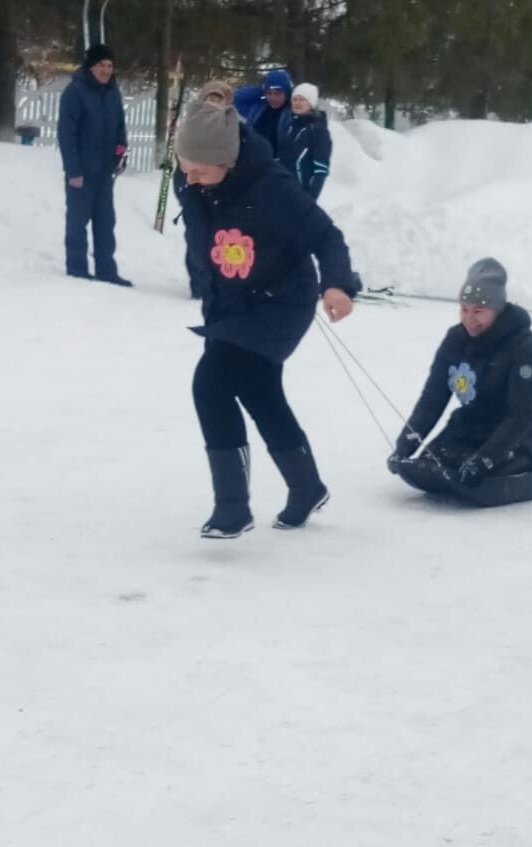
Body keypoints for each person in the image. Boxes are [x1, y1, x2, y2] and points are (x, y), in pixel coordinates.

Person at [173, 99, 357, 538]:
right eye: (186, 167)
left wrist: (337, 284)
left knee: (211, 383)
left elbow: (326, 236)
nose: (190, 177)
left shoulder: (271, 186)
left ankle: (232, 508)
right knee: (260, 393)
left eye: (200, 170)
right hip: (231, 303)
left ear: (228, 161)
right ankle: (307, 487)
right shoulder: (194, 180)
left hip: (280, 301)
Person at [388, 258, 532, 487]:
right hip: (477, 421)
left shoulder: (523, 346)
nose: (469, 319)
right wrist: (405, 445)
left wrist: (485, 459)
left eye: (478, 311)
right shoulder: (454, 341)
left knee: (483, 475)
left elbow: (521, 414)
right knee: (433, 464)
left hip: (525, 431)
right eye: (464, 309)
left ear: (496, 310)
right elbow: (432, 399)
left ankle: (504, 461)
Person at [56, 43, 131, 285]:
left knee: (105, 222)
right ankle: (77, 269)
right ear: (91, 67)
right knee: (78, 221)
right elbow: (66, 135)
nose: (106, 70)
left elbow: (120, 129)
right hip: (82, 172)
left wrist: (120, 154)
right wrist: (73, 170)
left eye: (110, 66)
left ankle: (106, 270)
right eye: (102, 65)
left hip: (105, 172)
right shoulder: (75, 92)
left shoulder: (112, 93)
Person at [182, 81, 235, 299]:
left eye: (219, 99)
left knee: (219, 239)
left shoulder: (231, 123)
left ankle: (216, 282)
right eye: (210, 98)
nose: (214, 103)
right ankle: (199, 284)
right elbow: (181, 151)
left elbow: (235, 153)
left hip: (221, 191)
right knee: (197, 236)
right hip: (193, 188)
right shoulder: (191, 121)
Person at [279, 82, 332, 199]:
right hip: (282, 191)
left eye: (302, 100)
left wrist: (310, 200)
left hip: (302, 194)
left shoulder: (318, 130)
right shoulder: (290, 126)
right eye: (295, 99)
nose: (297, 103)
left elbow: (321, 170)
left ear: (311, 103)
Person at [232, 69, 293, 157]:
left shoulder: (292, 111)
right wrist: (261, 89)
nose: (273, 97)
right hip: (254, 160)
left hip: (279, 165)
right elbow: (237, 98)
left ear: (287, 93)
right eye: (269, 93)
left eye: (278, 93)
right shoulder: (258, 108)